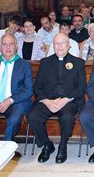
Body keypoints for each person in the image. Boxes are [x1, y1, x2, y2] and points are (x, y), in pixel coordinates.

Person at [28, 33, 86, 164]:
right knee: (33, 116)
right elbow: (37, 87)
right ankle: (47, 145)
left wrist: (65, 99)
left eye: (62, 43)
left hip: (68, 101)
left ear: (69, 45)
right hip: (48, 100)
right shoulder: (45, 62)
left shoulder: (78, 63)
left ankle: (62, 146)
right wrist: (47, 101)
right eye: (56, 44)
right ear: (53, 46)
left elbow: (81, 88)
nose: (59, 46)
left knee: (67, 117)